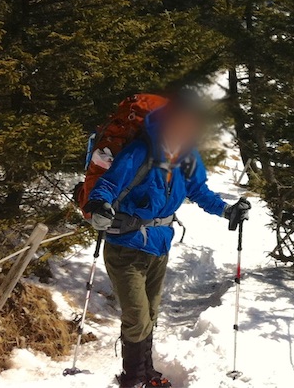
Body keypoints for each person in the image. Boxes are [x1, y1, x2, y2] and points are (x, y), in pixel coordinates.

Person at [84, 90, 250, 388]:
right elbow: (108, 184)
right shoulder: (139, 150)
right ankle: (133, 379)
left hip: (159, 246)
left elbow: (199, 191)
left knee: (150, 314)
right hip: (126, 245)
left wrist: (227, 210)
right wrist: (98, 203)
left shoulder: (187, 157)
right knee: (137, 317)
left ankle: (147, 375)